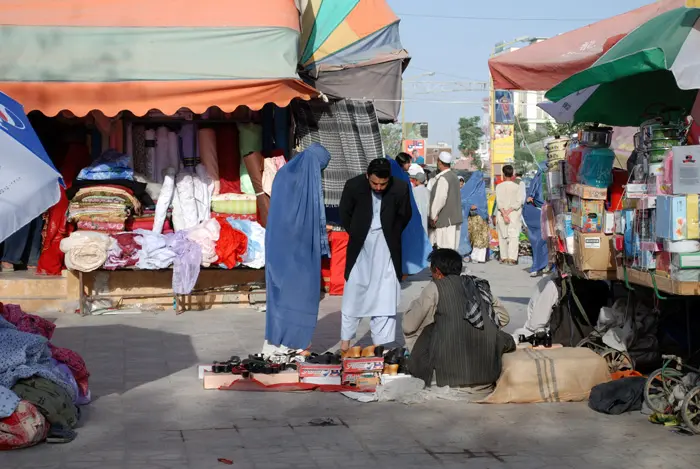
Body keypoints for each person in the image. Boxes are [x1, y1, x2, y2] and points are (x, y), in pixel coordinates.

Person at [403, 249, 515, 395]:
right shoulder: (478, 285)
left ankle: (425, 370)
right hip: (486, 378)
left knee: (421, 325)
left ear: (436, 271)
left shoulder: (435, 287)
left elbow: (408, 325)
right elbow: (504, 318)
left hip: (447, 380)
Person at [339, 158, 412, 353]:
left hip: (387, 247)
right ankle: (345, 342)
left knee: (385, 295)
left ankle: (379, 346)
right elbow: (345, 214)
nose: (378, 187)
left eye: (383, 183)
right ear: (367, 176)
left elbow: (405, 215)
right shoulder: (353, 186)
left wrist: (391, 233)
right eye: (374, 183)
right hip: (361, 247)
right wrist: (358, 231)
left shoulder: (401, 187)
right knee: (354, 291)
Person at [428, 152, 463, 250]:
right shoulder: (454, 177)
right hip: (454, 219)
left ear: (439, 162)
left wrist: (433, 216)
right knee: (452, 248)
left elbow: (440, 199)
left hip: (445, 221)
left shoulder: (443, 178)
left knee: (444, 250)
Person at [512, 274, 560, 344]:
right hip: (574, 336)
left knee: (518, 334)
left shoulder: (552, 284)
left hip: (558, 335)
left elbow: (536, 324)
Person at [495, 165, 524, 265]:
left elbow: (499, 202)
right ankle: (512, 258)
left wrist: (504, 213)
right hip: (513, 214)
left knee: (502, 236)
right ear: (512, 175)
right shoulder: (517, 187)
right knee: (513, 236)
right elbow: (519, 202)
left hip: (502, 214)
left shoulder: (499, 186)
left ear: (503, 174)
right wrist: (509, 212)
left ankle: (503, 257)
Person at [523, 165, 549, 277]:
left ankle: (539, 266)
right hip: (540, 214)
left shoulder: (537, 179)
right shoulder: (546, 178)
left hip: (535, 213)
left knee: (539, 242)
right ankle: (541, 266)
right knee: (542, 242)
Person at [458, 171, 489, 263]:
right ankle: (472, 255)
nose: (480, 180)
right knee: (473, 236)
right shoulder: (468, 189)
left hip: (480, 216)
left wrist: (479, 208)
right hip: (470, 216)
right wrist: (470, 205)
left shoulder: (481, 188)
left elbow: (483, 203)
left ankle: (479, 257)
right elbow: (462, 200)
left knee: (481, 236)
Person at [408, 164, 429, 234]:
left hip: (416, 217)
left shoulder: (413, 191)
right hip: (426, 217)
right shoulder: (428, 192)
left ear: (417, 180)